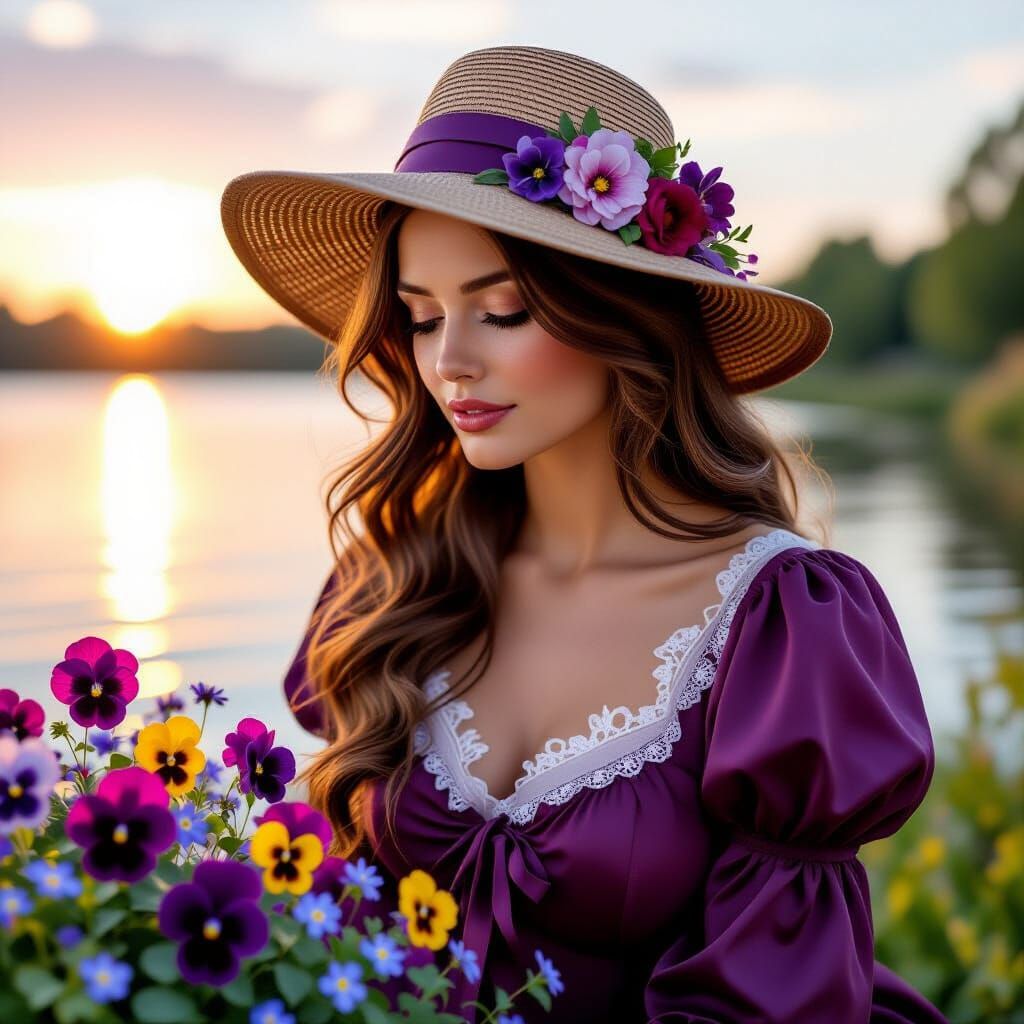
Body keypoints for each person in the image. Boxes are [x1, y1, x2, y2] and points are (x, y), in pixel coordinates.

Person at [222, 43, 949, 1024]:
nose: (451, 362)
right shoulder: (393, 583)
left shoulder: (782, 623)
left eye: (504, 309)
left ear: (627, 317)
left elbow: (767, 999)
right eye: (421, 316)